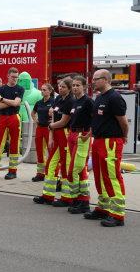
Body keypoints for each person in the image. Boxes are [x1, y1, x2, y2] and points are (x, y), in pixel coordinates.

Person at [84, 69, 128, 227]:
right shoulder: (99, 97)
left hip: (111, 142)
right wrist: (90, 134)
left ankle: (117, 214)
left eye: (96, 79)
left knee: (112, 176)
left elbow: (123, 122)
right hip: (99, 141)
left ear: (105, 80)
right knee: (100, 176)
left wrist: (124, 137)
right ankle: (103, 208)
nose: (93, 81)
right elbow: (96, 120)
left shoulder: (115, 98)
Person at [33, 77, 74, 206]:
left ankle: (66, 197)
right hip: (55, 133)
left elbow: (63, 121)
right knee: (50, 164)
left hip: (65, 134)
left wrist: (51, 128)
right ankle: (48, 195)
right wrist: (51, 136)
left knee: (66, 166)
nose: (60, 88)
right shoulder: (57, 99)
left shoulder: (70, 101)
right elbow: (53, 118)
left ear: (69, 89)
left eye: (63, 87)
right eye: (59, 86)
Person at [0, 68, 25, 180]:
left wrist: (3, 99)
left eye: (16, 77)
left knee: (14, 144)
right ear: (8, 76)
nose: (15, 79)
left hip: (14, 117)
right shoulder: (2, 88)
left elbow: (16, 103)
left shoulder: (20, 88)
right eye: (13, 76)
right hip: (3, 117)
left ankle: (12, 171)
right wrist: (11, 102)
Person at [66, 76, 93, 214]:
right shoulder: (75, 102)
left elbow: (96, 119)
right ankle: (84, 202)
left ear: (84, 87)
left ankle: (76, 199)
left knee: (72, 171)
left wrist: (89, 135)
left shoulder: (88, 101)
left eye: (78, 85)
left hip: (82, 136)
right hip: (72, 135)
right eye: (74, 85)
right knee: (81, 171)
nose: (75, 87)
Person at [31, 83, 55, 182]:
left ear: (50, 91)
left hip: (49, 129)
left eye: (45, 90)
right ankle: (40, 174)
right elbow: (33, 113)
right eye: (41, 89)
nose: (42, 91)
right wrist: (35, 120)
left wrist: (53, 121)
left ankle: (50, 173)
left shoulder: (53, 102)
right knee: (40, 151)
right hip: (40, 128)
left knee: (51, 151)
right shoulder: (39, 102)